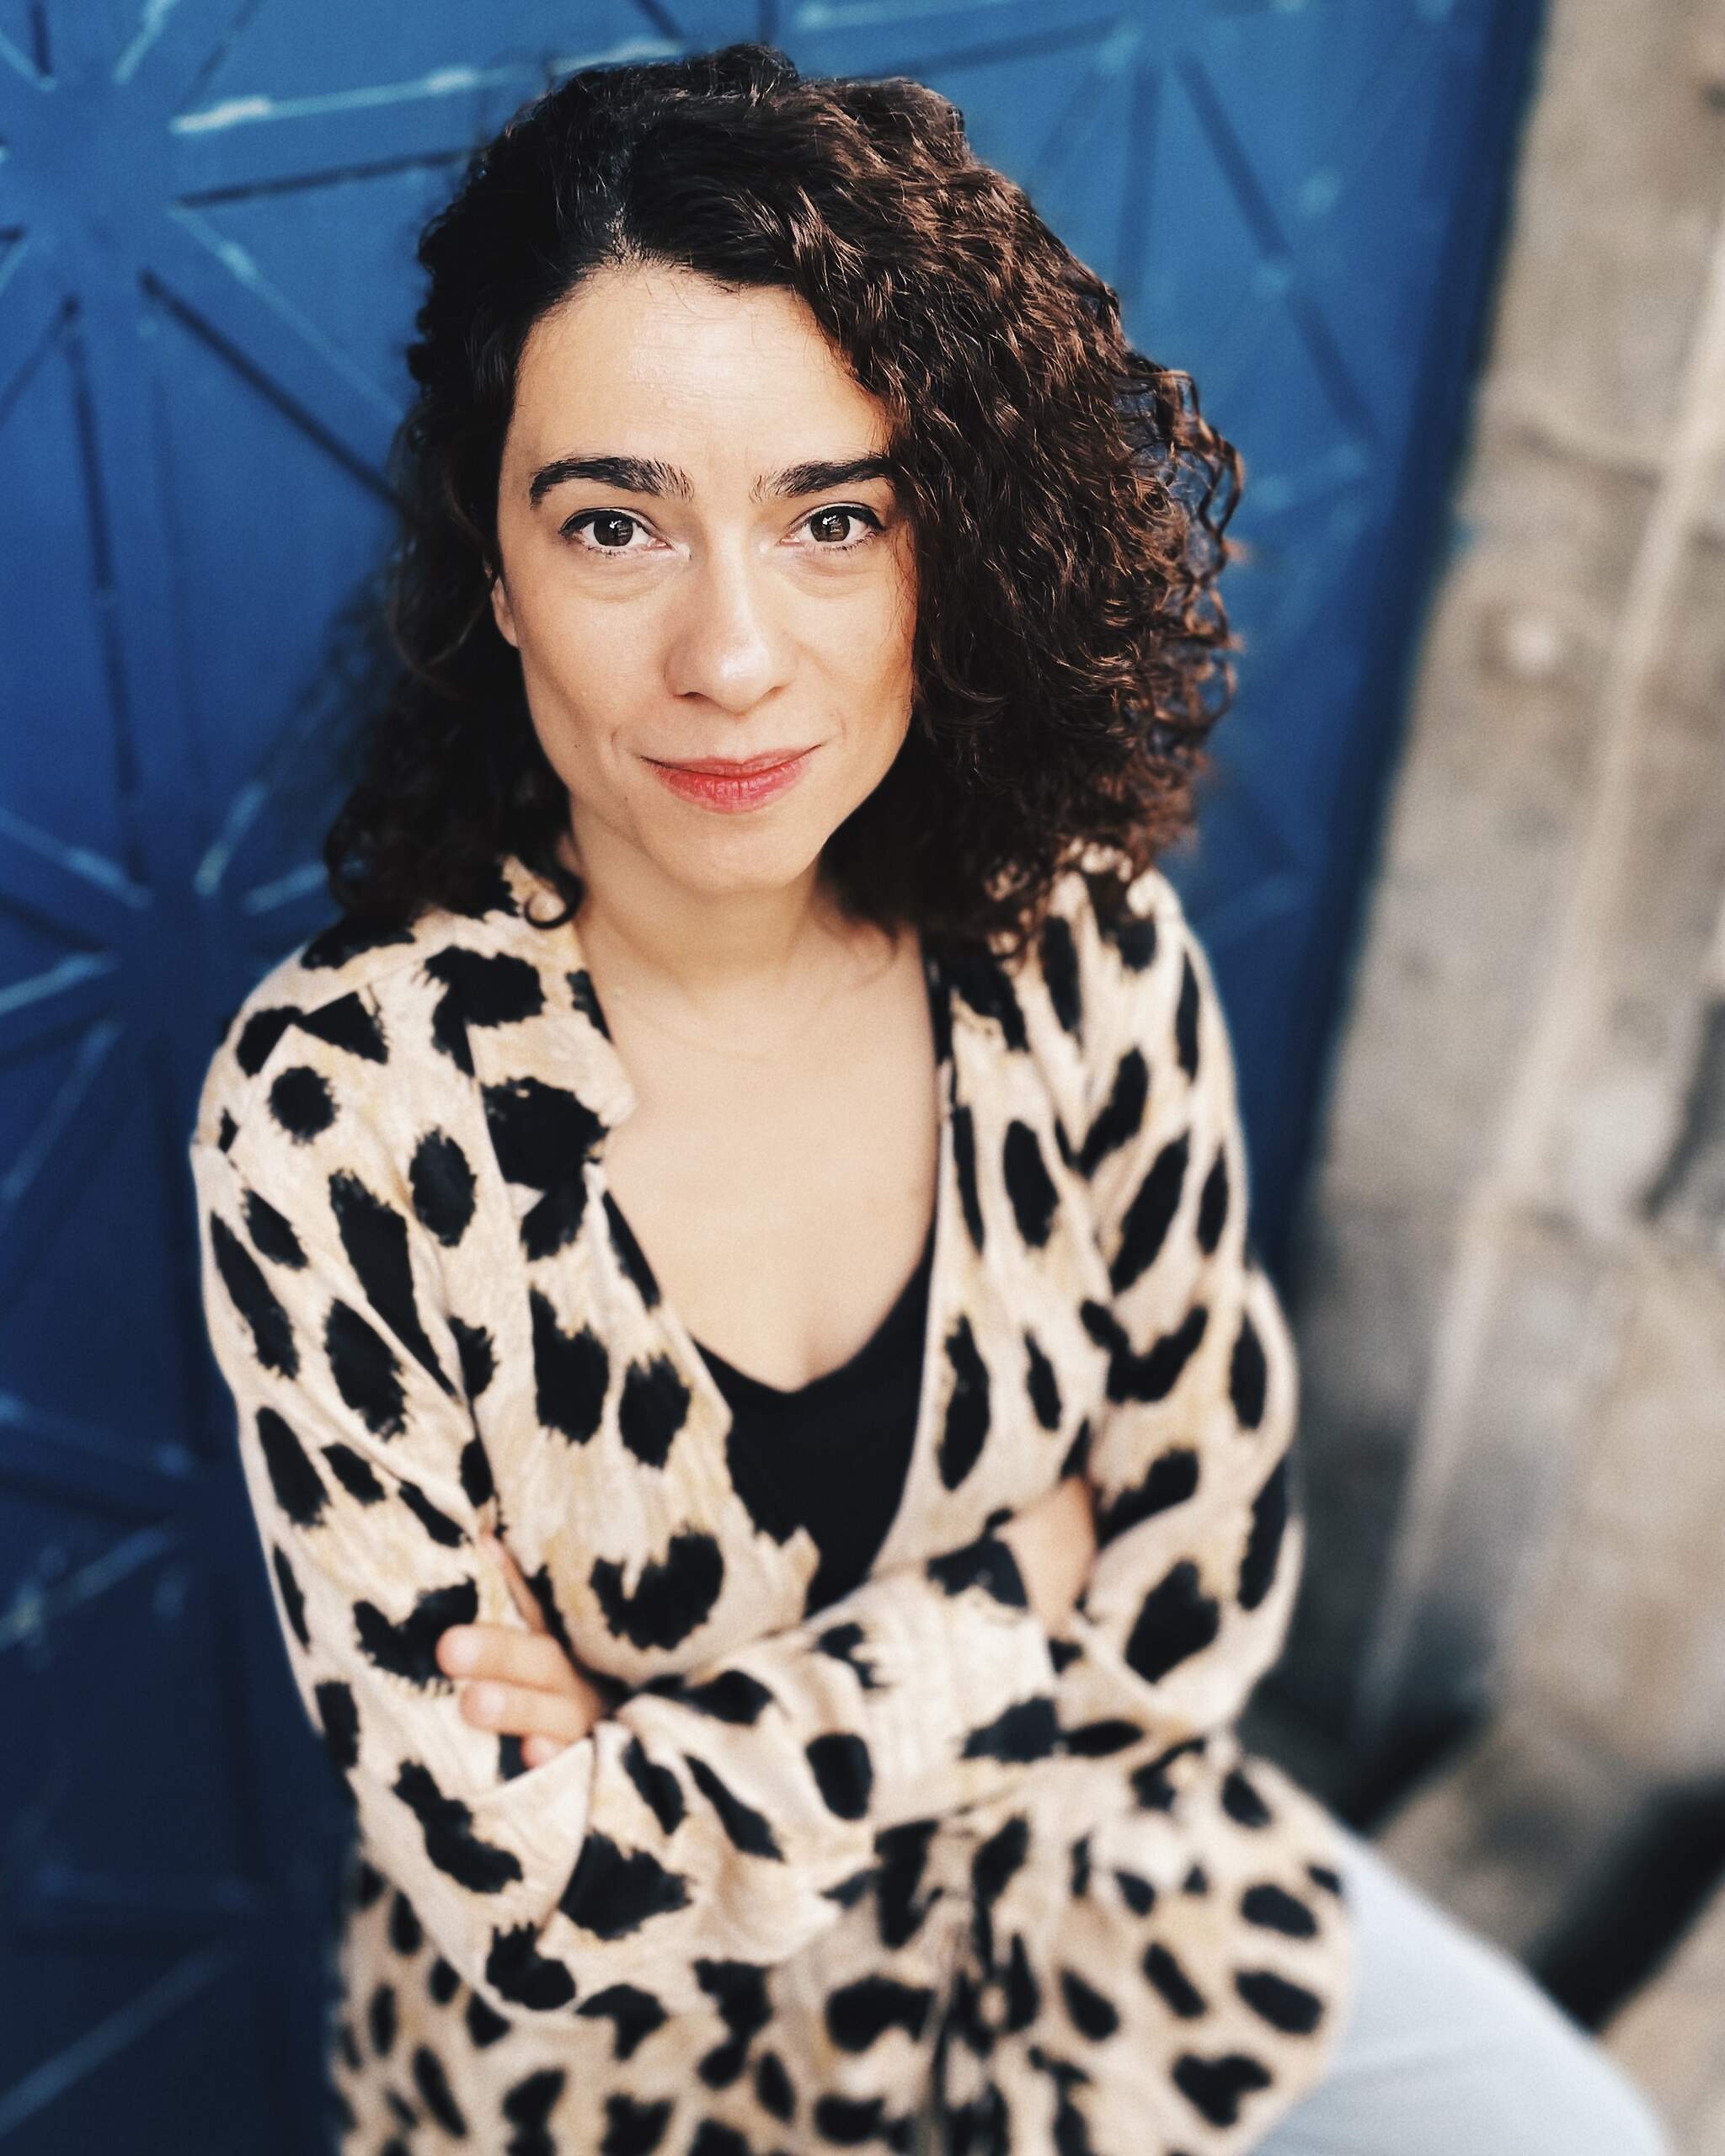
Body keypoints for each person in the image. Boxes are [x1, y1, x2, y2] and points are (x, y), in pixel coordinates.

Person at [189, 41, 1669, 2156]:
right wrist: (1012, 1600)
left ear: (935, 544)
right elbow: (537, 1896)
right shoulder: (342, 1115)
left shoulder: (1069, 945)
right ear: (496, 568)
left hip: (1105, 1937)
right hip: (635, 2095)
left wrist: (673, 1745)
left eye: (832, 517)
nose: (731, 655)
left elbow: (1203, 1574)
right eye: (613, 521)